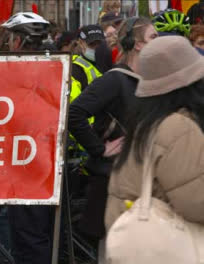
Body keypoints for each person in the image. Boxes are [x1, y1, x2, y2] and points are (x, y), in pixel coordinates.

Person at [68, 17, 158, 252]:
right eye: (153, 37)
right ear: (137, 44)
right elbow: (74, 113)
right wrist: (99, 148)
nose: (158, 42)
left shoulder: (150, 79)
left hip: (140, 182)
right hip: (112, 183)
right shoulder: (115, 79)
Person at [105, 36, 204, 233]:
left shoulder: (148, 123)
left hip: (136, 242)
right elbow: (196, 203)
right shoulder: (178, 127)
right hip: (169, 246)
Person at [0, 12, 54, 264]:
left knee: (30, 239)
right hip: (37, 162)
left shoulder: (22, 74)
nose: (8, 43)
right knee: (27, 237)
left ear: (19, 42)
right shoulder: (51, 66)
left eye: (11, 39)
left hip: (29, 166)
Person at [71, 25, 105, 102]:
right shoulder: (74, 69)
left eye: (99, 44)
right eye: (92, 44)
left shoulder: (109, 62)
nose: (97, 48)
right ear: (80, 43)